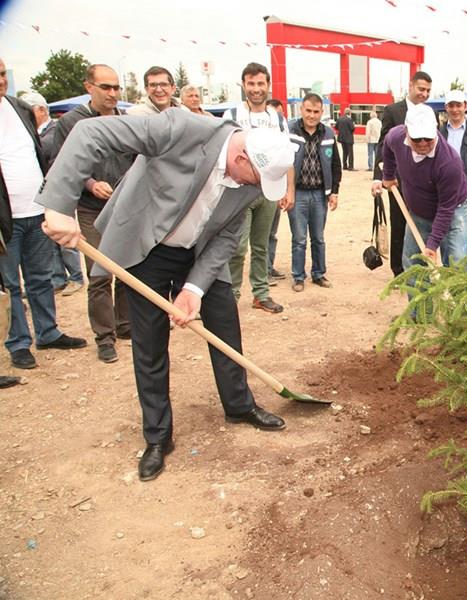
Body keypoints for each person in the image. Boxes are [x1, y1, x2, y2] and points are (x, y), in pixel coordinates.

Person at [38, 109, 297, 482]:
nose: (258, 189)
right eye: (257, 179)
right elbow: (90, 133)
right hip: (147, 247)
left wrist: (194, 289)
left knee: (225, 323)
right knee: (150, 342)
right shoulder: (182, 129)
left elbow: (226, 235)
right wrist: (59, 206)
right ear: (241, 158)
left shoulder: (251, 180)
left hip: (199, 251)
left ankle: (239, 405)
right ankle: (158, 436)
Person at [0, 57, 87, 370]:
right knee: (11, 285)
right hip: (4, 220)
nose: (0, 81)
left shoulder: (20, 108)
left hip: (36, 211)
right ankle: (18, 343)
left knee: (41, 277)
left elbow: (37, 155)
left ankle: (48, 332)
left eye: (1, 74)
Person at [51, 64, 134, 363]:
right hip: (90, 208)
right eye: (106, 87)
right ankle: (105, 336)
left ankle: (126, 326)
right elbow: (62, 164)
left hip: (124, 207)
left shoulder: (127, 121)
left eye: (116, 87)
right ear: (89, 87)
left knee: (127, 269)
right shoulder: (71, 122)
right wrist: (89, 183)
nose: (112, 93)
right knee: (100, 274)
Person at [223, 63, 294, 314]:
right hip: (238, 190)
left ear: (268, 85)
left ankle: (261, 293)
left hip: (268, 190)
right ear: (244, 85)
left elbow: (286, 155)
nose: (256, 89)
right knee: (238, 247)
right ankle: (230, 295)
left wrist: (289, 190)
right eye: (251, 84)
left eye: (260, 83)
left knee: (262, 245)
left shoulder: (276, 117)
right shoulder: (232, 114)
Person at [372, 103, 467, 275]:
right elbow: (386, 146)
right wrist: (388, 175)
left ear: (435, 130)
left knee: (458, 262)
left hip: (455, 209)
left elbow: (446, 208)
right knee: (413, 264)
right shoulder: (396, 136)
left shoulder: (449, 163)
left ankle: (465, 302)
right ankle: (420, 303)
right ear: (407, 131)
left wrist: (432, 246)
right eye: (417, 139)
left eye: (428, 138)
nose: (423, 143)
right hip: (419, 212)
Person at [21, 91, 86, 295]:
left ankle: (75, 275)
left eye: (29, 110)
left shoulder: (52, 132)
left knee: (67, 241)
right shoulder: (35, 133)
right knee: (53, 241)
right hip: (39, 199)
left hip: (58, 196)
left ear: (41, 109)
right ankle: (59, 278)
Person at [373, 71, 437, 276]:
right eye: (421, 89)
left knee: (422, 222)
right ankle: (398, 269)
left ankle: (419, 265)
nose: (424, 94)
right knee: (399, 223)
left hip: (424, 181)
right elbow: (383, 145)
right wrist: (379, 177)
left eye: (428, 90)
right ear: (410, 86)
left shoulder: (430, 113)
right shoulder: (393, 111)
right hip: (398, 180)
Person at [288, 93, 342, 291]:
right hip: (298, 193)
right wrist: (286, 192)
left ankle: (319, 274)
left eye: (316, 111)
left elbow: (336, 165)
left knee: (318, 238)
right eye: (308, 111)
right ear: (301, 110)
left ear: (322, 112)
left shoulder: (328, 134)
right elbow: (282, 162)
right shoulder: (290, 131)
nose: (311, 115)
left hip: (320, 194)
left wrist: (334, 192)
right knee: (299, 238)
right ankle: (298, 277)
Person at [438, 90, 467, 270]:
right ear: (446, 108)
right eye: (451, 105)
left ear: (465, 106)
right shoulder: (438, 133)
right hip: (442, 193)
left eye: (458, 105)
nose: (455, 109)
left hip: (466, 193)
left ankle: (466, 282)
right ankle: (448, 273)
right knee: (442, 237)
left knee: (461, 239)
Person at [265, 97, 287, 282]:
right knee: (260, 236)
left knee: (271, 233)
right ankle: (262, 272)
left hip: (276, 188)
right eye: (275, 113)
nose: (278, 117)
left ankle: (269, 267)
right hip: (257, 190)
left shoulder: (281, 134)